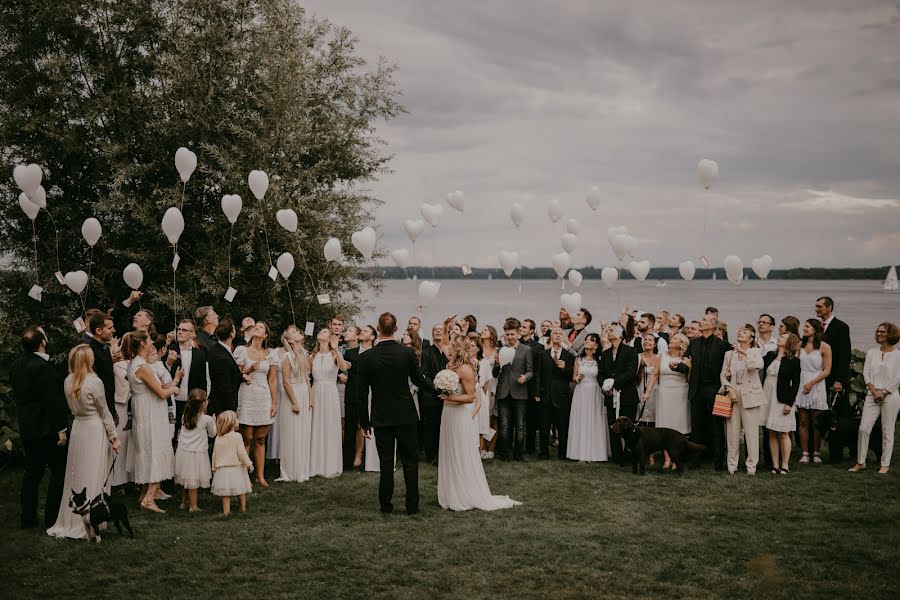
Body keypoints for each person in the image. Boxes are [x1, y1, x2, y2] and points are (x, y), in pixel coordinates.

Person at [358, 312, 437, 515]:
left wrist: (364, 423)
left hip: (381, 416)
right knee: (410, 462)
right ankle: (412, 506)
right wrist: (438, 390)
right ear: (396, 329)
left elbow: (361, 393)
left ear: (378, 328)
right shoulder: (407, 353)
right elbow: (419, 380)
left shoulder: (366, 357)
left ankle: (386, 506)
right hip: (405, 415)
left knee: (386, 464)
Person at [437, 336, 521, 512]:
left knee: (461, 452)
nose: (449, 346)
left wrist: (450, 397)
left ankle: (464, 493)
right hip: (448, 413)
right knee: (450, 450)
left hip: (460, 415)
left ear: (458, 348)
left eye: (452, 344)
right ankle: (451, 492)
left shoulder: (466, 369)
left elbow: (470, 397)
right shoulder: (449, 367)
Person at [46, 344, 121, 538]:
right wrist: (114, 437)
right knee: (94, 470)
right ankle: (94, 520)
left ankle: (73, 519)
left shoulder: (68, 381)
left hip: (78, 429)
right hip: (94, 429)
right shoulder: (94, 382)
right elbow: (104, 412)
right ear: (89, 361)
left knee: (77, 472)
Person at [11, 327, 70, 530]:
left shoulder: (17, 365)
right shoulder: (43, 368)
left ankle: (28, 519)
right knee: (59, 472)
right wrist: (61, 429)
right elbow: (52, 401)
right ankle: (52, 519)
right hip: (46, 430)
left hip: (27, 427)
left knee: (32, 473)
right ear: (42, 343)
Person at [124, 330, 181, 513]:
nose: (151, 342)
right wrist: (174, 390)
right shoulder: (142, 367)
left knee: (149, 452)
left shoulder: (136, 363)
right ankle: (149, 499)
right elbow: (162, 393)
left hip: (147, 412)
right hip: (151, 416)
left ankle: (144, 494)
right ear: (142, 344)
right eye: (148, 339)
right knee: (155, 453)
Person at [849, 322, 900, 474]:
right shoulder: (872, 352)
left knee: (887, 430)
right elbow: (866, 373)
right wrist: (873, 391)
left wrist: (884, 393)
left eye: (882, 332)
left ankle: (885, 464)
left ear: (890, 334)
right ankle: (860, 462)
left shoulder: (898, 355)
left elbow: (898, 377)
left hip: (890, 396)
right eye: (878, 331)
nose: (878, 334)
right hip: (872, 395)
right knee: (864, 428)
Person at [234, 322, 277, 486]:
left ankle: (260, 475)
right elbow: (235, 374)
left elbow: (272, 380)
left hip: (263, 397)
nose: (256, 328)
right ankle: (244, 476)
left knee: (260, 439)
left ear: (265, 335)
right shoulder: (241, 350)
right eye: (255, 327)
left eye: (260, 327)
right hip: (246, 396)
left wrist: (274, 403)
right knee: (246, 438)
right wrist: (248, 370)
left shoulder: (270, 354)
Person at [684, 314, 729, 470]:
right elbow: (686, 361)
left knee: (716, 427)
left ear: (712, 326)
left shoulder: (723, 345)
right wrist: (679, 366)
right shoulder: (693, 343)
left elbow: (729, 366)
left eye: (704, 320)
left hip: (716, 390)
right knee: (696, 427)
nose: (700, 322)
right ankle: (695, 460)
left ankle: (718, 461)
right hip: (696, 389)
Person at [720, 325, 765, 475]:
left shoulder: (755, 352)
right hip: (733, 393)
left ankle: (751, 467)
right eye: (740, 332)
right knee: (732, 432)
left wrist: (744, 353)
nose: (741, 333)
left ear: (751, 339)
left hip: (750, 394)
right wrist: (728, 388)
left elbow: (756, 366)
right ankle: (732, 466)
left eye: (745, 332)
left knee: (751, 433)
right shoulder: (729, 354)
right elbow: (723, 375)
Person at [492, 318, 534, 461]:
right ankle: (504, 454)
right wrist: (497, 364)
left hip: (520, 392)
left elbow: (530, 371)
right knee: (504, 426)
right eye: (507, 334)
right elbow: (494, 374)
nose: (510, 337)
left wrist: (525, 378)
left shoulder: (526, 350)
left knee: (520, 426)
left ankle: (519, 455)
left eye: (512, 334)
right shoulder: (501, 349)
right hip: (503, 391)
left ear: (518, 334)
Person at [310, 327, 348, 478]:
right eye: (320, 332)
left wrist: (336, 349)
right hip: (316, 391)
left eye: (324, 332)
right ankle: (316, 465)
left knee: (330, 426)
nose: (321, 332)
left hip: (331, 393)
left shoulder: (334, 354)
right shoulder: (313, 355)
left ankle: (331, 464)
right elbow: (307, 375)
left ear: (330, 337)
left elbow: (344, 368)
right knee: (316, 426)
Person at [649, 332, 691, 469]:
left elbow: (690, 378)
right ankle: (667, 459)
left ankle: (676, 458)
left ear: (681, 344)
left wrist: (689, 367)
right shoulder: (662, 356)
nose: (671, 340)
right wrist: (647, 392)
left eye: (674, 339)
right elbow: (655, 374)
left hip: (680, 392)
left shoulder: (685, 359)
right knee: (664, 425)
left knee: (678, 425)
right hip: (664, 392)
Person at [601, 323, 639, 466]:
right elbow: (601, 373)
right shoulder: (605, 354)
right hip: (610, 396)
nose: (608, 332)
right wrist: (605, 387)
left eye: (611, 330)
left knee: (629, 428)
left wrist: (614, 384)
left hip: (627, 396)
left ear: (619, 334)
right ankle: (617, 457)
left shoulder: (631, 351)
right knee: (613, 427)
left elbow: (630, 372)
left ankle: (629, 455)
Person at [278, 327, 313, 482]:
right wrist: (294, 402)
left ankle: (302, 469)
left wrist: (310, 398)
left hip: (304, 393)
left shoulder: (304, 355)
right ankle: (290, 471)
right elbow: (285, 381)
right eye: (295, 333)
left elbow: (307, 378)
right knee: (292, 431)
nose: (299, 332)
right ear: (290, 340)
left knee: (303, 431)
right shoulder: (287, 356)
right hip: (292, 394)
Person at [795, 319, 832, 465]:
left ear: (815, 329)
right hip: (802, 382)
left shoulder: (825, 347)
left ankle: (816, 452)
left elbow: (827, 370)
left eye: (807, 326)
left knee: (816, 421)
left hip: (817, 383)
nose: (804, 328)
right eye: (804, 326)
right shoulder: (800, 344)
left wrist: (812, 382)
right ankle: (804, 453)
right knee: (803, 420)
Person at [567, 333, 608, 462]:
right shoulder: (579, 359)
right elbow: (573, 377)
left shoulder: (600, 360)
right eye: (586, 340)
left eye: (590, 340)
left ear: (596, 345)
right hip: (581, 391)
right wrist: (577, 378)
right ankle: (580, 453)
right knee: (582, 418)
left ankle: (596, 453)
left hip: (595, 391)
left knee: (595, 419)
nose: (587, 342)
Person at [765, 333, 801, 474]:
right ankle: (775, 464)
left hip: (782, 398)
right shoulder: (770, 356)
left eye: (783, 337)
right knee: (772, 432)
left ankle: (785, 464)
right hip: (767, 397)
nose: (779, 338)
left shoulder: (794, 361)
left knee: (784, 432)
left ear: (789, 342)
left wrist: (789, 403)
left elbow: (796, 384)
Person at [174, 390, 216, 511]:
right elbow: (213, 434)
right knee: (192, 481)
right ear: (203, 404)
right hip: (196, 454)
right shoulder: (206, 419)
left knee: (186, 478)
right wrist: (213, 422)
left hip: (183, 452)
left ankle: (184, 502)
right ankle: (193, 506)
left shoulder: (185, 416)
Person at [168, 319, 209, 442]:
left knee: (190, 433)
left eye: (184, 330)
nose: (179, 332)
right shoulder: (170, 349)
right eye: (179, 329)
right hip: (172, 400)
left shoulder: (200, 355)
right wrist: (169, 364)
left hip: (191, 401)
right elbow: (161, 373)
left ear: (192, 334)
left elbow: (203, 380)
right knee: (171, 434)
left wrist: (203, 399)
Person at [211, 410, 253, 515]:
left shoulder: (218, 438)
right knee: (241, 489)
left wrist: (213, 467)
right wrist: (249, 464)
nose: (238, 421)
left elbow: (215, 454)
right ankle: (242, 508)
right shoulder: (237, 436)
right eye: (236, 419)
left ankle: (226, 511)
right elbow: (242, 453)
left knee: (225, 493)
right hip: (236, 468)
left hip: (223, 470)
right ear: (232, 423)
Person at [816, 296, 852, 417]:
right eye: (816, 306)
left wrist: (839, 380)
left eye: (819, 306)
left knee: (835, 413)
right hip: (817, 376)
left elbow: (844, 355)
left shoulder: (841, 327)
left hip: (833, 378)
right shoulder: (816, 327)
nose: (816, 309)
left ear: (829, 307)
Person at [420, 323, 448, 465]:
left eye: (440, 329)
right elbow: (424, 375)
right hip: (431, 396)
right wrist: (437, 390)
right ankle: (431, 455)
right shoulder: (426, 352)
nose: (438, 331)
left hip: (449, 397)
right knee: (431, 427)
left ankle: (444, 454)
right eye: (435, 329)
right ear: (432, 334)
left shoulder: (449, 352)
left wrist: (448, 390)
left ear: (444, 333)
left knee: (445, 427)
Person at [83, 312, 118, 421]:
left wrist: (112, 410)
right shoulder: (88, 352)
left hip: (109, 406)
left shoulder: (105, 349)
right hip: (97, 410)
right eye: (110, 328)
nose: (113, 330)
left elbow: (109, 383)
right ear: (98, 331)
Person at [206, 318, 242, 417]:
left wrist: (241, 376)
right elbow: (224, 386)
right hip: (222, 407)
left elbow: (229, 373)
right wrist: (232, 411)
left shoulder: (221, 349)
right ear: (232, 334)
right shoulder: (221, 356)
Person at [478, 326, 499, 458]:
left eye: (486, 330)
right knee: (482, 418)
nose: (482, 331)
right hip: (480, 386)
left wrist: (497, 363)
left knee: (493, 419)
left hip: (493, 386)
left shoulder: (497, 350)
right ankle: (482, 447)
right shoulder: (478, 349)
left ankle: (491, 448)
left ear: (492, 334)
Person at [637, 332, 660, 427]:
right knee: (641, 414)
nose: (647, 342)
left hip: (656, 389)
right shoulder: (637, 356)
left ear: (654, 344)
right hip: (641, 387)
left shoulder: (659, 358)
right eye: (645, 340)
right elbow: (635, 379)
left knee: (655, 414)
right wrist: (641, 368)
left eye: (650, 340)